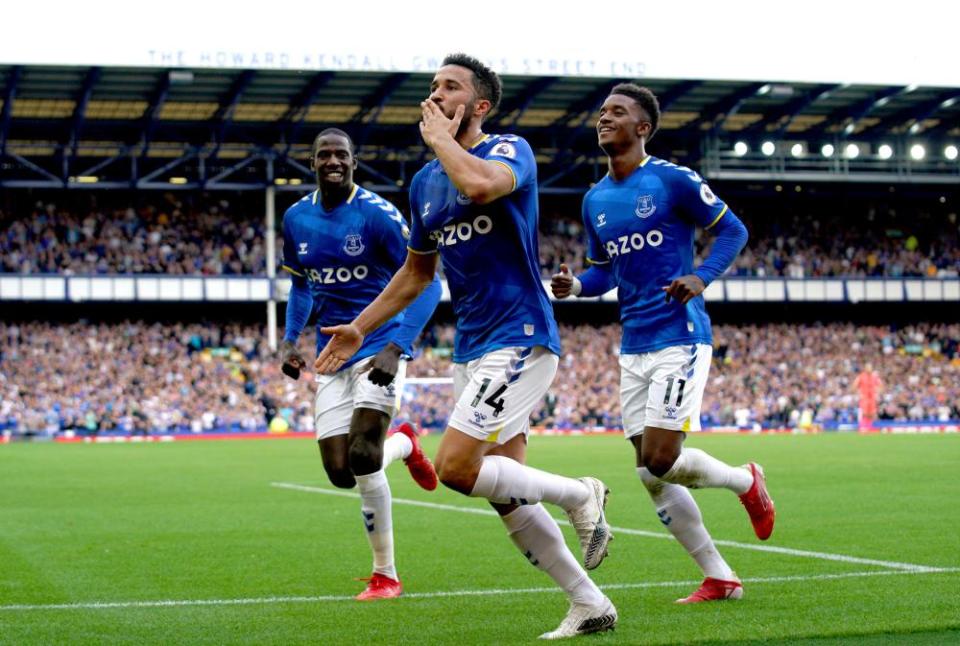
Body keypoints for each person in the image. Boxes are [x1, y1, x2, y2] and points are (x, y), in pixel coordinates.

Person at [315, 54, 617, 639]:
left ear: (479, 106)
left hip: (522, 333)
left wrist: (439, 141)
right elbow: (416, 273)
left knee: (457, 467)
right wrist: (360, 324)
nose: (435, 95)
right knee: (507, 493)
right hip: (471, 347)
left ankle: (583, 494)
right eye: (431, 87)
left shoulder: (509, 151)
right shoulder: (424, 184)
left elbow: (479, 186)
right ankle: (589, 603)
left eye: (450, 87)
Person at [551, 83, 775, 604]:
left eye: (618, 113)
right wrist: (578, 286)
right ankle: (719, 576)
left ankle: (746, 480)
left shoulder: (672, 180)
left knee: (658, 458)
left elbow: (734, 231)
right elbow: (604, 272)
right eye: (602, 112)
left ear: (643, 127)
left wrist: (701, 276)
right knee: (650, 473)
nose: (604, 119)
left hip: (680, 335)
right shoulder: (595, 199)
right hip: (633, 345)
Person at [279, 127, 443, 601]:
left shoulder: (377, 215)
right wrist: (290, 340)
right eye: (324, 154)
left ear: (354, 161)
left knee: (365, 454)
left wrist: (399, 346)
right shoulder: (295, 218)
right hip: (333, 350)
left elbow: (427, 282)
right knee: (340, 470)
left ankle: (385, 574)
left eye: (342, 155)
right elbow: (301, 286)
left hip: (380, 343)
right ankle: (407, 446)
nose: (333, 161)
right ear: (312, 162)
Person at [854, 362, 883, 430]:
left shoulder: (875, 377)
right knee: (864, 413)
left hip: (872, 398)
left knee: (873, 413)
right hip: (865, 398)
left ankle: (873, 428)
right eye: (867, 367)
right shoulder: (861, 376)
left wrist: (877, 393)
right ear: (865, 368)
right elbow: (855, 385)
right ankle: (863, 427)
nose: (869, 369)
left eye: (870, 367)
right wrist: (859, 394)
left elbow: (881, 386)